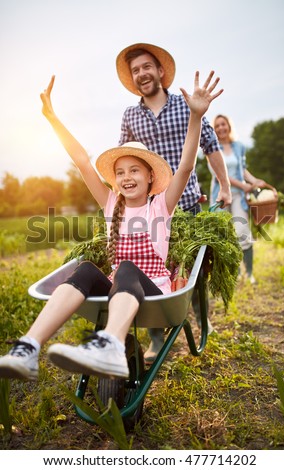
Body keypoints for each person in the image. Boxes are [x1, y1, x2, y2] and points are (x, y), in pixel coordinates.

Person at [0, 70, 223, 381]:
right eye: (120, 172)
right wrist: (52, 119)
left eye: (135, 170)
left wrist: (196, 116)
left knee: (128, 267)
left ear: (150, 178)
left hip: (154, 293)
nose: (127, 177)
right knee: (88, 270)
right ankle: (28, 348)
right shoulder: (110, 204)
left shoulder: (161, 204)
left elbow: (186, 164)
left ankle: (111, 346)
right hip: (121, 291)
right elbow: (80, 160)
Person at [116, 43, 231, 361]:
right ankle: (156, 335)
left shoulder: (185, 105)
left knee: (191, 271)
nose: (142, 74)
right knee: (149, 268)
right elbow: (123, 161)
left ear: (160, 71)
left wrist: (224, 185)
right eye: (136, 70)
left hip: (188, 206)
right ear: (133, 78)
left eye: (147, 67)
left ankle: (197, 315)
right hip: (148, 210)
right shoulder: (130, 116)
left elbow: (209, 144)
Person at [210, 114, 269, 284]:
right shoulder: (212, 148)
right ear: (214, 130)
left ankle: (249, 273)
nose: (221, 128)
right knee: (224, 235)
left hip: (238, 197)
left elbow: (243, 170)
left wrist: (254, 181)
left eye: (223, 124)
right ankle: (231, 274)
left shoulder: (239, 147)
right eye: (217, 126)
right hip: (221, 195)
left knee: (242, 232)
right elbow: (219, 174)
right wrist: (243, 185)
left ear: (229, 126)